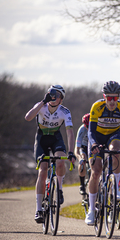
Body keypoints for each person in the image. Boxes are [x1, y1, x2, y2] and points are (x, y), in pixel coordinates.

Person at [85, 81, 120, 226]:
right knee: (96, 172)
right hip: (97, 137)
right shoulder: (97, 107)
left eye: (115, 98)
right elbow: (91, 131)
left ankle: (116, 188)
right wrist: (94, 144)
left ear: (118, 97)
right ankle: (92, 210)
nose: (112, 101)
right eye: (109, 98)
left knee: (116, 151)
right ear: (104, 97)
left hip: (113, 135)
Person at [25, 84, 76, 223]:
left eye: (57, 95)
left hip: (56, 139)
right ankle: (38, 210)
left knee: (60, 162)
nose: (53, 98)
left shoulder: (64, 111)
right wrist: (43, 101)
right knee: (42, 171)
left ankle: (58, 189)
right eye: (51, 94)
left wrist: (71, 152)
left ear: (61, 99)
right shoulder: (41, 106)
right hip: (41, 140)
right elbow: (28, 117)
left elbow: (70, 132)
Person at [75, 113, 89, 195]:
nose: (88, 128)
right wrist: (80, 159)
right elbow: (76, 149)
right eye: (86, 126)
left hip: (94, 147)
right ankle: (82, 184)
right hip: (84, 147)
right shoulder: (82, 129)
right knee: (83, 158)